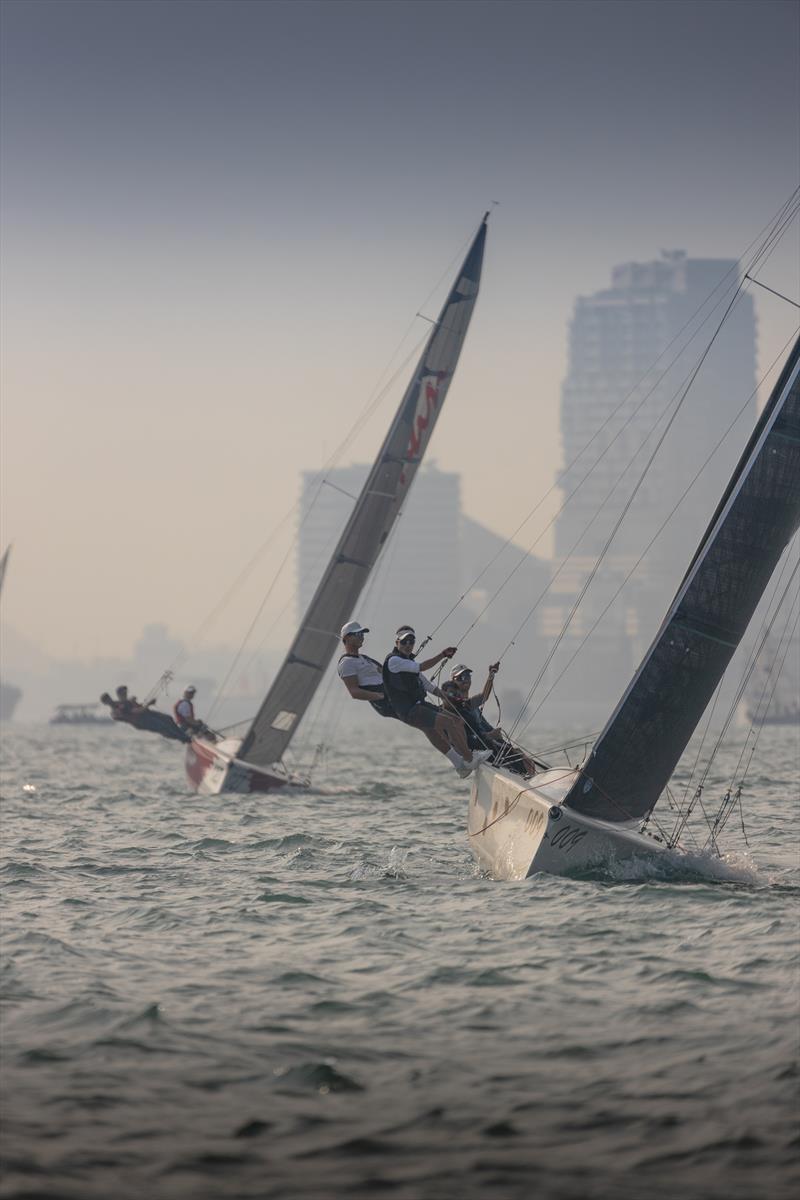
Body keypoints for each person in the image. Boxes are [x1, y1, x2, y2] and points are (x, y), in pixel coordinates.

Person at [381, 626, 493, 777]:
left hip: (418, 706)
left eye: (411, 641)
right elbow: (422, 667)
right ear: (397, 642)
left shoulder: (408, 662)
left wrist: (448, 697)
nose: (408, 645)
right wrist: (442, 655)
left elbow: (428, 685)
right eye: (404, 642)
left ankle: (460, 765)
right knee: (449, 722)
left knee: (448, 725)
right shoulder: (394, 661)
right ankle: (469, 758)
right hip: (410, 710)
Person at [446, 663, 536, 777]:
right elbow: (463, 739)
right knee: (522, 762)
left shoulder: (471, 705)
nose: (465, 680)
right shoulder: (453, 708)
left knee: (524, 758)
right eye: (460, 678)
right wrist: (489, 736)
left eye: (467, 676)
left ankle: (531, 782)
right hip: (482, 750)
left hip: (491, 746)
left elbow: (484, 698)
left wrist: (491, 675)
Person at [100, 689, 190, 744]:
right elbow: (136, 711)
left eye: (109, 697)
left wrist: (133, 702)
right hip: (141, 721)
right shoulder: (115, 712)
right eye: (107, 700)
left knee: (168, 719)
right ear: (105, 703)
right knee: (163, 727)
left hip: (146, 714)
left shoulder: (120, 703)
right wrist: (148, 704)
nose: (109, 699)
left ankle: (182, 734)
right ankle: (184, 739)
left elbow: (136, 706)